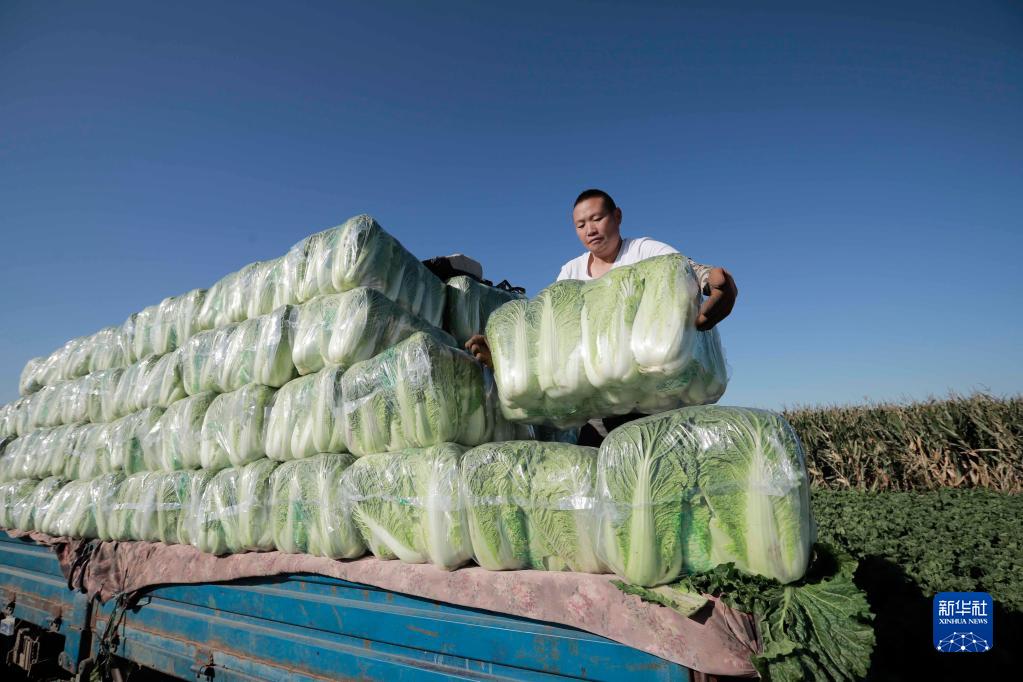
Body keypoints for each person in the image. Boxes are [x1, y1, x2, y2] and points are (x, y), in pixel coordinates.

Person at [466, 188, 738, 445]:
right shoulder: (570, 272)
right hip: (599, 409)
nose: (590, 230)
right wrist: (504, 359)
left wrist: (713, 284)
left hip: (661, 398)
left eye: (597, 218)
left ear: (617, 216)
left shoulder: (643, 250)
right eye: (581, 225)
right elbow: (551, 337)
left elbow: (685, 269)